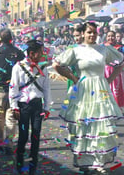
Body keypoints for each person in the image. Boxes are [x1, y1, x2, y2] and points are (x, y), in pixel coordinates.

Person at [52, 22, 124, 174]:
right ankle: (84, 161)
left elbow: (120, 63)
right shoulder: (76, 51)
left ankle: (99, 162)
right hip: (82, 91)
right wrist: (72, 77)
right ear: (83, 34)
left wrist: (109, 79)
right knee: (83, 125)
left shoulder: (104, 49)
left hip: (100, 91)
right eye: (89, 32)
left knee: (100, 125)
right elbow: (57, 65)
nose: (92, 35)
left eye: (94, 32)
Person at [9, 39, 51, 175]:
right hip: (23, 106)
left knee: (36, 134)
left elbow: (47, 89)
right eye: (40, 52)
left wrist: (47, 108)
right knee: (23, 135)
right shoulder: (18, 67)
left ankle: (33, 165)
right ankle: (20, 163)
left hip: (37, 105)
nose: (42, 54)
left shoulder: (43, 68)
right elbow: (13, 88)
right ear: (32, 53)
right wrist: (14, 106)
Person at [104, 30, 124, 113]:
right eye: (109, 36)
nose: (110, 38)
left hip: (116, 71)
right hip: (105, 71)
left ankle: (116, 109)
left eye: (112, 36)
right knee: (106, 90)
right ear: (106, 37)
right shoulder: (102, 47)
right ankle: (107, 109)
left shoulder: (120, 47)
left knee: (116, 90)